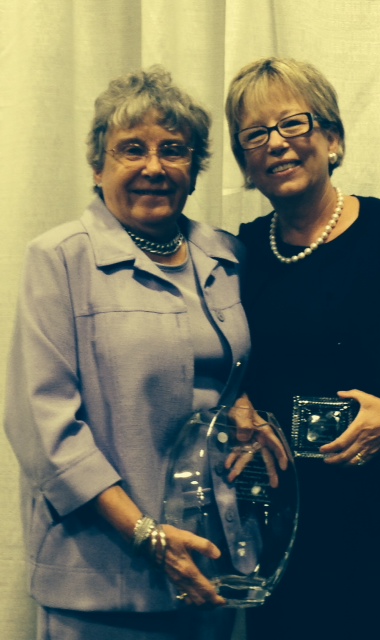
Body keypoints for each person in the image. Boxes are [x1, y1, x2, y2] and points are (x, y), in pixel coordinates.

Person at [225, 56, 380, 640]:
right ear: (245, 164)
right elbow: (220, 357)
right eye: (256, 135)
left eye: (294, 124)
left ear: (332, 139)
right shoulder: (240, 254)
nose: (277, 145)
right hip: (280, 515)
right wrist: (239, 405)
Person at [4, 65, 250, 640]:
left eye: (174, 150)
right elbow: (44, 430)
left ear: (194, 168)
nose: (154, 167)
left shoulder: (228, 257)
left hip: (210, 568)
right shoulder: (60, 259)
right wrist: (149, 536)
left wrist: (248, 405)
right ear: (98, 166)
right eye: (131, 149)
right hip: (101, 578)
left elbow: (240, 371)